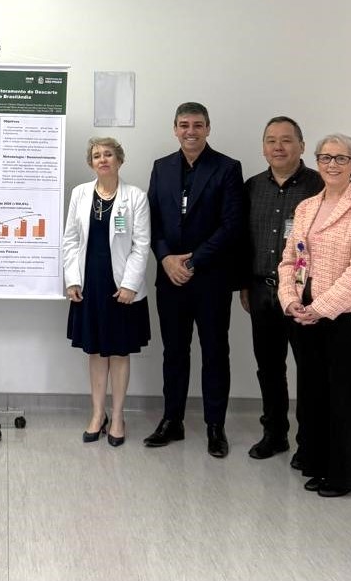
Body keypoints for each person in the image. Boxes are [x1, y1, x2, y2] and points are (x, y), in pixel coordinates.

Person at [277, 133, 351, 498]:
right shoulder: (306, 206)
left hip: (347, 316)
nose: (333, 165)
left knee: (345, 400)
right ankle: (318, 463)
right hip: (305, 314)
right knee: (314, 396)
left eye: (342, 159)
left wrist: (320, 309)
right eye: (326, 157)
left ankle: (344, 475)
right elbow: (291, 258)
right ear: (317, 162)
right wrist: (290, 300)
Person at [143, 102, 244, 458]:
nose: (191, 131)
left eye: (197, 125)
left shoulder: (228, 168)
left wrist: (194, 262)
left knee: (215, 352)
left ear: (208, 128)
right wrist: (166, 258)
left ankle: (215, 426)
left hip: (211, 277)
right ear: (174, 128)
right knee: (174, 352)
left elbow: (232, 225)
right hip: (170, 276)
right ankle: (173, 421)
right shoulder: (161, 167)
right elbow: (151, 220)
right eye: (184, 125)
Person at [241, 117, 323, 463]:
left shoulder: (320, 185)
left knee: (310, 369)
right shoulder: (251, 187)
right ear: (263, 148)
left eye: (286, 140)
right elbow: (242, 242)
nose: (278, 147)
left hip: (306, 296)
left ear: (302, 146)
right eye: (271, 141)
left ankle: (309, 441)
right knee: (269, 367)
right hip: (262, 291)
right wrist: (244, 285)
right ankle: (274, 434)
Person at [63, 137, 150, 447]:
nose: (102, 159)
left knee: (119, 351)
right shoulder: (80, 194)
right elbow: (70, 239)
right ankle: (97, 414)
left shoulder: (136, 197)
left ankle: (117, 417)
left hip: (121, 287)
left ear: (119, 160)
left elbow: (142, 245)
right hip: (91, 285)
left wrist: (130, 285)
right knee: (97, 351)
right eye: (96, 155)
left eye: (108, 154)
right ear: (91, 163)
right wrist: (72, 278)